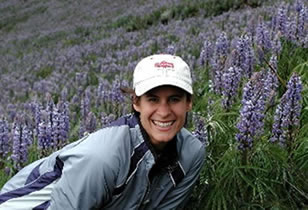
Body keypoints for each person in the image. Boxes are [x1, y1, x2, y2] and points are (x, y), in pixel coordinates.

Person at [0, 54, 205, 210]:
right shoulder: (102, 158)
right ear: (136, 103)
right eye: (152, 99)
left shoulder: (191, 154)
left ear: (189, 103)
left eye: (175, 99)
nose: (163, 111)